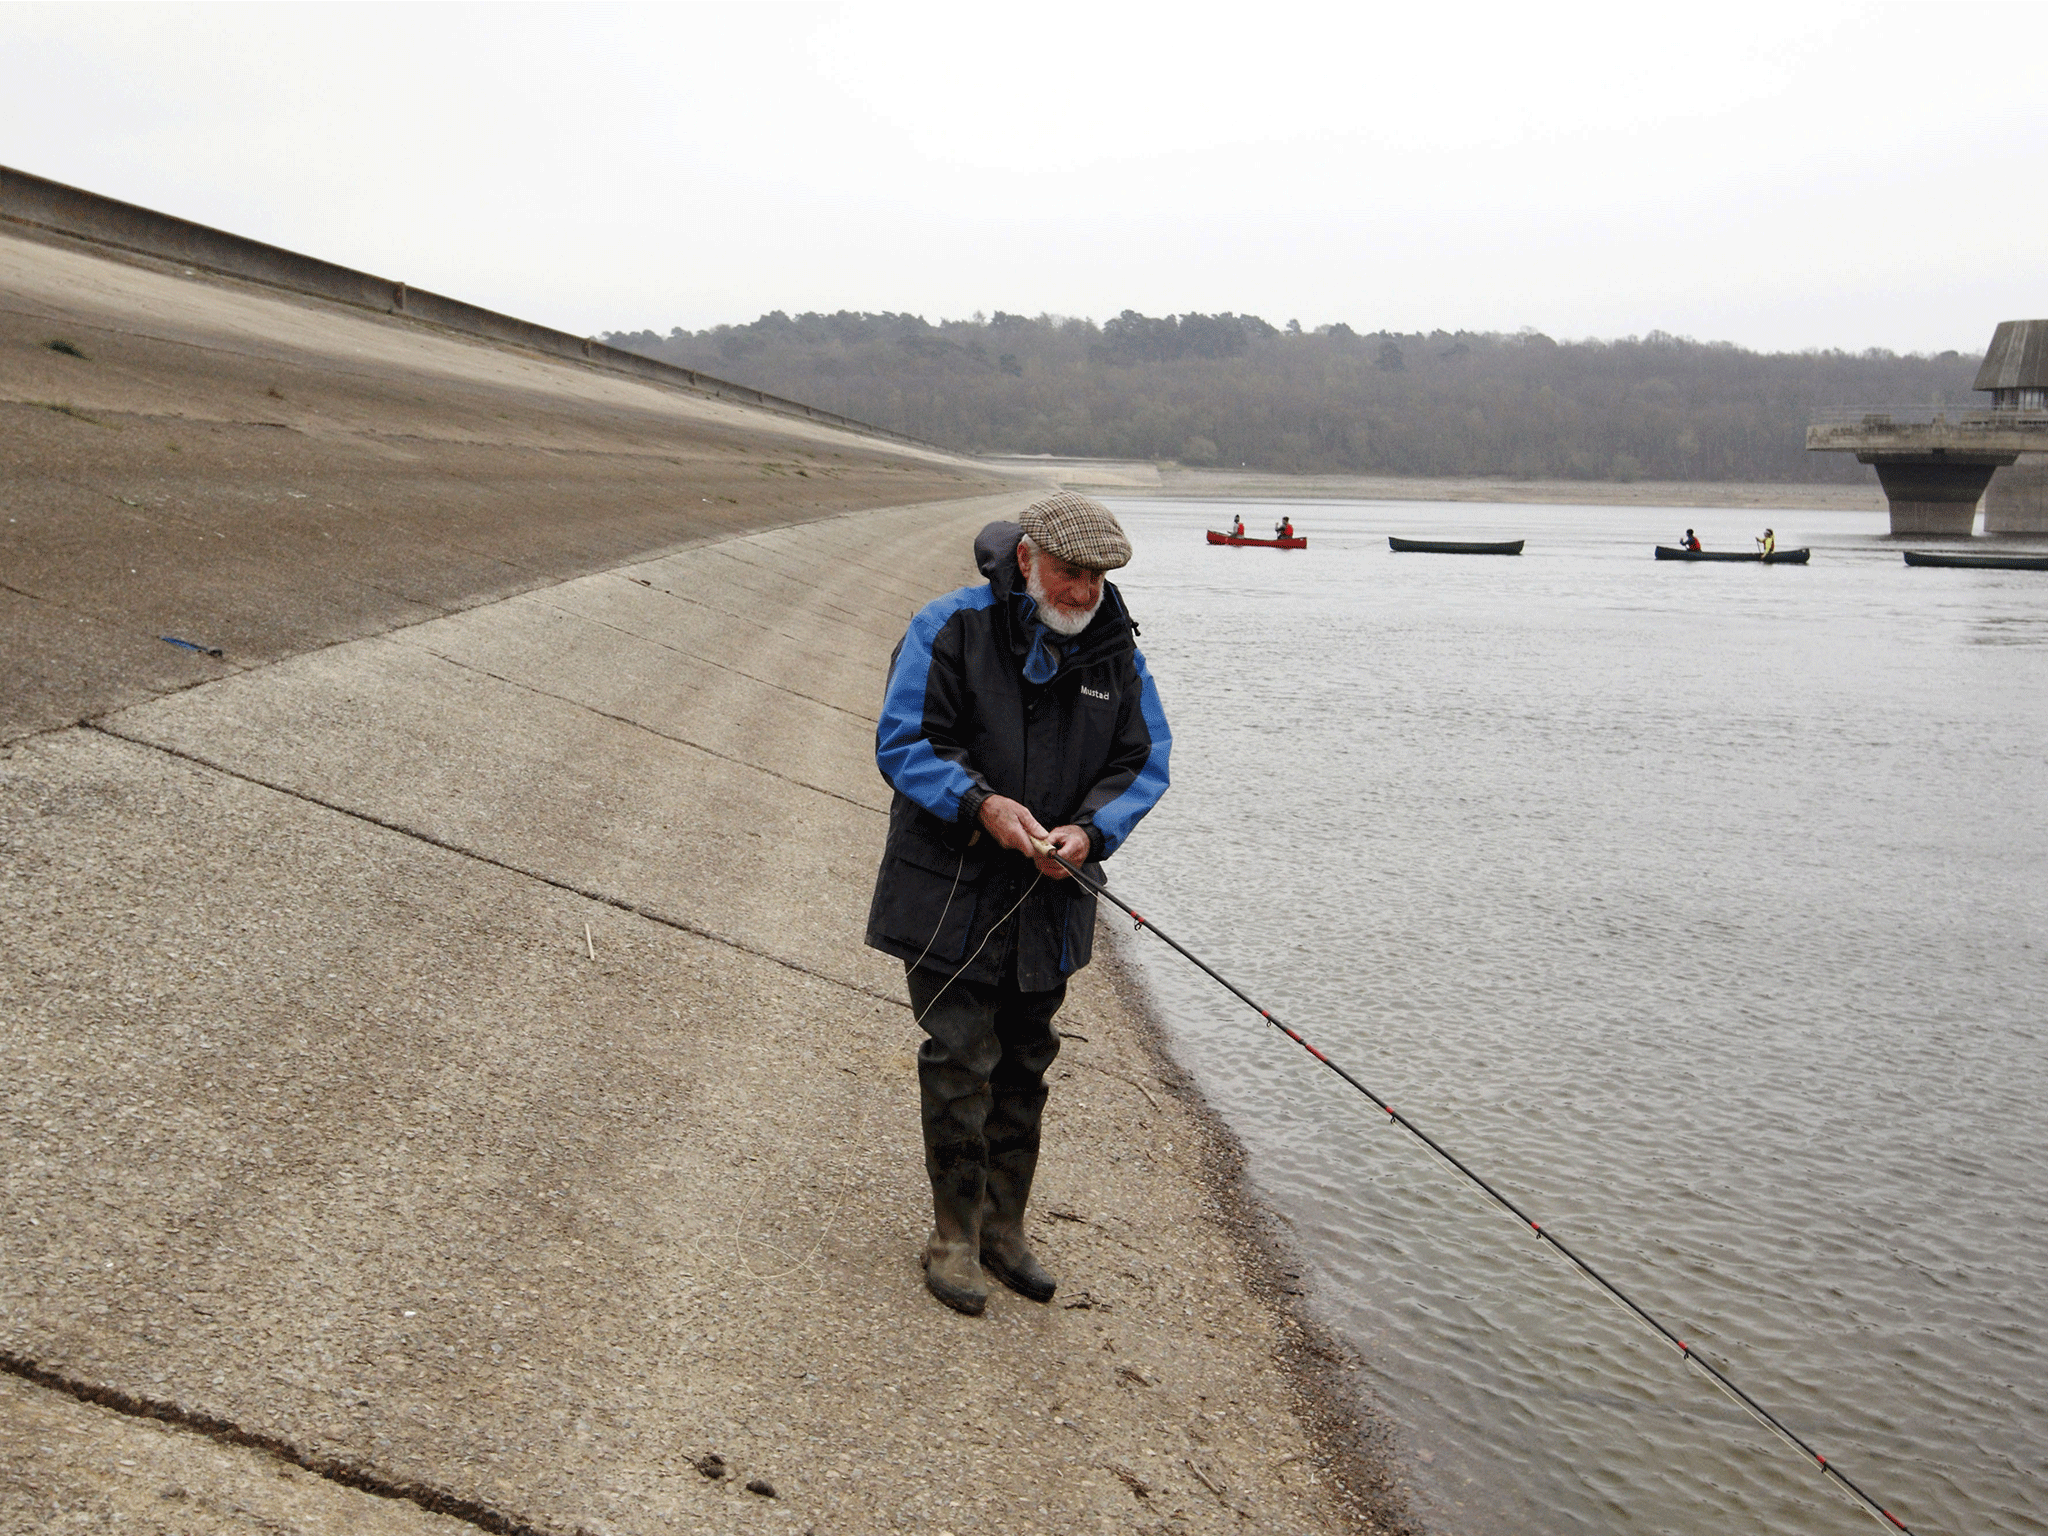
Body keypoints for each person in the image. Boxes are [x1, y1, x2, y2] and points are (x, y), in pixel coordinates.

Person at [868, 491, 1172, 1315]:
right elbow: (904, 743)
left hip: (1052, 900)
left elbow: (1145, 762)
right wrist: (984, 806)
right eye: (1072, 574)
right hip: (950, 891)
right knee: (962, 1059)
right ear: (1032, 558)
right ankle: (953, 1239)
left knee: (1027, 1064)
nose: (1084, 593)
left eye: (1098, 579)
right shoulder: (949, 626)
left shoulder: (1116, 649)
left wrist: (1089, 832)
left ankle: (1006, 1232)